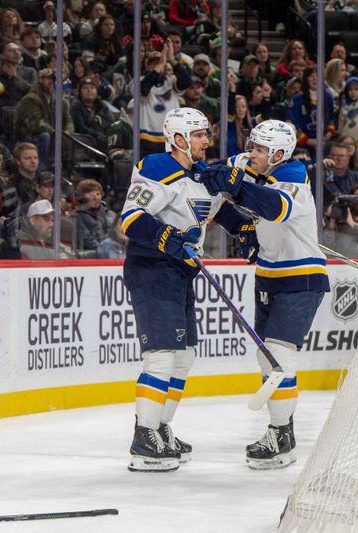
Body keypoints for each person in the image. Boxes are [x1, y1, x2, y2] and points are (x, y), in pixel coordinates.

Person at [120, 108, 250, 472]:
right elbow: (131, 219)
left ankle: (161, 427)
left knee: (185, 354)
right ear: (178, 139)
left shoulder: (200, 175)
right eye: (199, 135)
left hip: (181, 272)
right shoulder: (157, 167)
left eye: (206, 134)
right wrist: (167, 237)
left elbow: (216, 210)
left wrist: (245, 230)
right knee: (162, 354)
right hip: (151, 269)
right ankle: (144, 436)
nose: (206, 141)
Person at [198, 119, 330, 469]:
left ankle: (281, 434)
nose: (251, 153)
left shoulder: (294, 175)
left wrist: (237, 187)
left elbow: (275, 208)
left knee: (278, 356)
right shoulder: (250, 164)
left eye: (259, 149)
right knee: (266, 358)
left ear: (277, 154)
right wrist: (238, 224)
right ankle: (281, 430)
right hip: (269, 274)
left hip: (301, 275)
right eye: (252, 147)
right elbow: (218, 175)